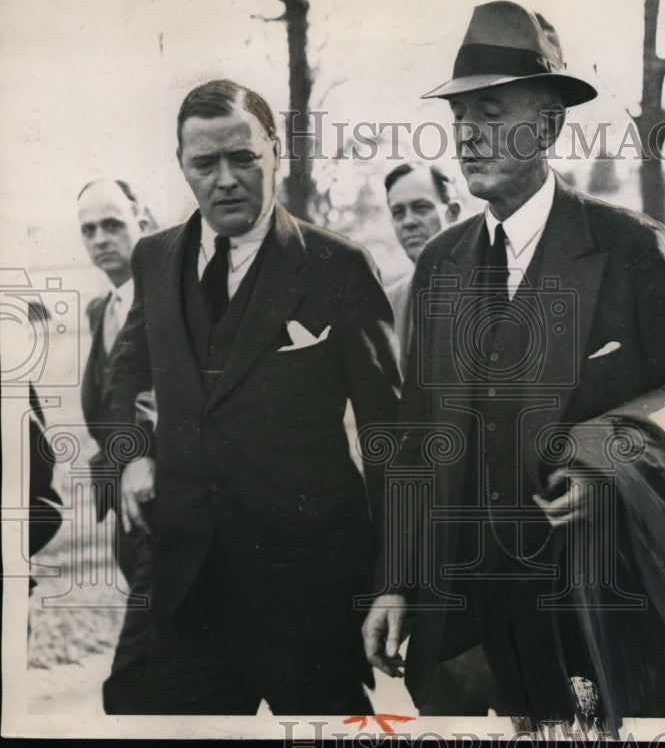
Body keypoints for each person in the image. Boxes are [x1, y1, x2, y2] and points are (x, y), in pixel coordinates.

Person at [363, 1, 665, 726]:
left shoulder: (627, 248)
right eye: (460, 119)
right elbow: (413, 439)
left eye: (491, 114)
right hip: (464, 632)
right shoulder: (439, 263)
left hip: (593, 616)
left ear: (551, 125)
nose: (468, 137)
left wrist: (611, 466)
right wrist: (396, 582)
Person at [105, 79, 401, 714]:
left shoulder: (338, 266)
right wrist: (132, 455)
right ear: (181, 166)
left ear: (277, 153)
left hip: (312, 595)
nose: (226, 180)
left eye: (243, 159)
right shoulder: (155, 260)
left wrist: (397, 582)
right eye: (204, 163)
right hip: (189, 588)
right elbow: (125, 376)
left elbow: (390, 436)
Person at [76, 178, 157, 713]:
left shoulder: (174, 294)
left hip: (167, 505)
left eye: (113, 224)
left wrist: (138, 452)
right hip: (126, 519)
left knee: (131, 684)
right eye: (89, 229)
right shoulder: (100, 310)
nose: (101, 238)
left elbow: (166, 389)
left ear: (143, 224)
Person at [383, 163, 461, 372]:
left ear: (452, 213)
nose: (408, 222)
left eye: (421, 208)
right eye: (398, 212)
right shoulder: (386, 304)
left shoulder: (492, 286)